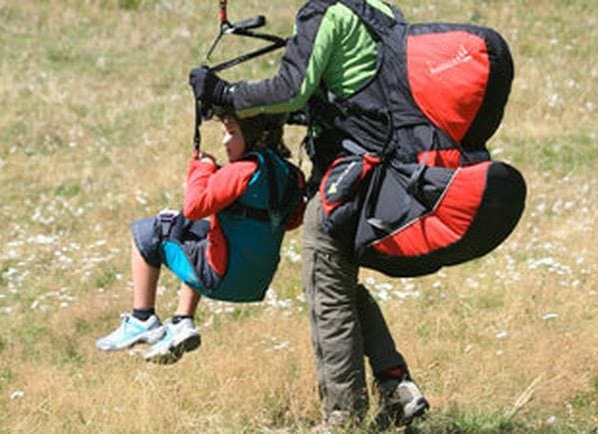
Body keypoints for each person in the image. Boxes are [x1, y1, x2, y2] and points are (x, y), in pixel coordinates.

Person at [189, 0, 429, 428]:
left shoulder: (325, 11)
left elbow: (291, 89)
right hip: (389, 172)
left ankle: (343, 419)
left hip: (349, 176)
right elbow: (336, 99)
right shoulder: (381, 11)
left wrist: (225, 93)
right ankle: (397, 389)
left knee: (326, 292)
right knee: (340, 285)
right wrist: (238, 105)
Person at [96, 112, 305, 364]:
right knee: (200, 233)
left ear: (258, 136)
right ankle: (182, 322)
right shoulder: (291, 175)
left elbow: (193, 206)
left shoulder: (241, 170)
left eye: (232, 133)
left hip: (219, 278)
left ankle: (142, 318)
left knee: (147, 231)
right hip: (255, 282)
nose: (226, 142)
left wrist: (203, 168)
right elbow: (293, 221)